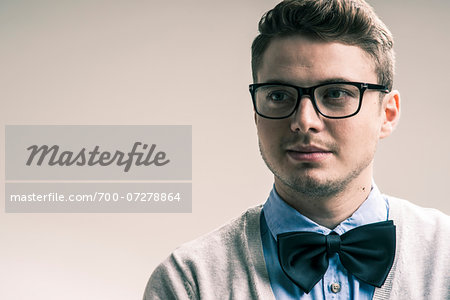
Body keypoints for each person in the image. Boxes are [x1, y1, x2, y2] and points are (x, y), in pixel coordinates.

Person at [143, 0, 450, 299]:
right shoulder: (189, 282)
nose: (304, 121)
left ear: (387, 114)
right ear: (256, 114)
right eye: (279, 95)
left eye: (335, 93)